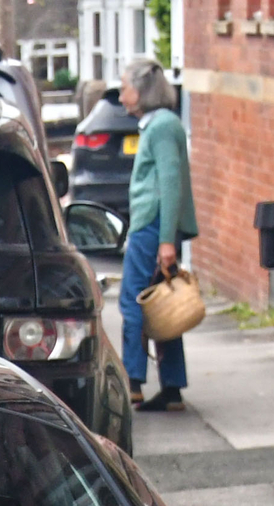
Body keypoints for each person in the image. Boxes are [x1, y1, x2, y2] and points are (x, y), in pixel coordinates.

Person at [118, 58, 195, 413]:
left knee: (133, 302)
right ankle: (173, 389)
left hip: (152, 227)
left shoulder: (162, 126)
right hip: (155, 227)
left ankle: (131, 383)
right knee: (165, 304)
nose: (121, 96)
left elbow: (169, 184)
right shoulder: (160, 125)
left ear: (142, 90)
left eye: (124, 88)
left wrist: (166, 241)